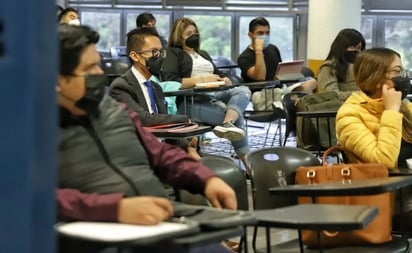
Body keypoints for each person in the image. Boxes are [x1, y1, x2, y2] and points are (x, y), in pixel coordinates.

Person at [57, 24, 235, 253]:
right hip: (105, 238)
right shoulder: (31, 133)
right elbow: (35, 198)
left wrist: (206, 178)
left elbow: (160, 154)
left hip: (162, 225)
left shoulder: (112, 110)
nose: (100, 74)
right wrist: (115, 209)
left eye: (98, 65)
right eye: (89, 68)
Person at [161, 17, 251, 169]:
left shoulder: (202, 53)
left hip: (214, 94)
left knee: (243, 90)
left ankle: (227, 123)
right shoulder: (174, 53)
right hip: (190, 101)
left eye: (195, 32)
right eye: (188, 33)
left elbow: (217, 74)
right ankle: (250, 167)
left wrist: (224, 80)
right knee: (238, 119)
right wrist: (201, 79)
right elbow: (171, 82)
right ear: (179, 37)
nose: (193, 36)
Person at [109, 27, 200, 160]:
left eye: (161, 52)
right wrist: (184, 119)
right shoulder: (121, 86)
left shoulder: (155, 86)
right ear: (135, 56)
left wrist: (187, 147)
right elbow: (144, 120)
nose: (159, 57)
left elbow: (165, 126)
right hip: (137, 156)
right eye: (154, 52)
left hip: (162, 153)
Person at [336, 47, 412, 169]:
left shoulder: (404, 105)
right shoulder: (349, 115)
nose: (403, 77)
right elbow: (383, 161)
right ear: (376, 79)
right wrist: (391, 111)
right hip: (386, 186)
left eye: (402, 71)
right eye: (397, 71)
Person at [237, 16, 317, 93]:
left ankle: (293, 96)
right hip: (261, 94)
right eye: (260, 33)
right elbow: (260, 77)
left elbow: (279, 74)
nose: (265, 36)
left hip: (280, 88)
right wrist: (259, 50)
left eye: (267, 33)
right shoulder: (244, 58)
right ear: (250, 35)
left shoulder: (273, 48)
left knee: (312, 82)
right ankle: (293, 97)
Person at [317, 28, 366, 101]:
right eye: (352, 47)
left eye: (359, 48)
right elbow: (331, 95)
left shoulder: (362, 65)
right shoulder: (328, 67)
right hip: (342, 109)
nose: (357, 51)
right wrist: (361, 95)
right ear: (341, 47)